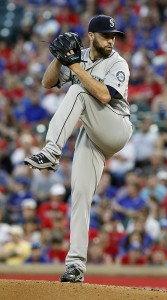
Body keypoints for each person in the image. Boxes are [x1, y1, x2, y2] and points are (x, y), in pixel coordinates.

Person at [24, 14, 132, 283]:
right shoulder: (80, 56)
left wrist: (74, 67)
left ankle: (51, 152)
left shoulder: (118, 62)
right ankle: (75, 266)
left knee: (78, 91)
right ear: (92, 35)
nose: (111, 40)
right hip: (92, 133)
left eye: (114, 36)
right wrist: (59, 59)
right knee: (81, 195)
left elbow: (105, 96)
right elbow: (47, 83)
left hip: (115, 127)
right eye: (106, 35)